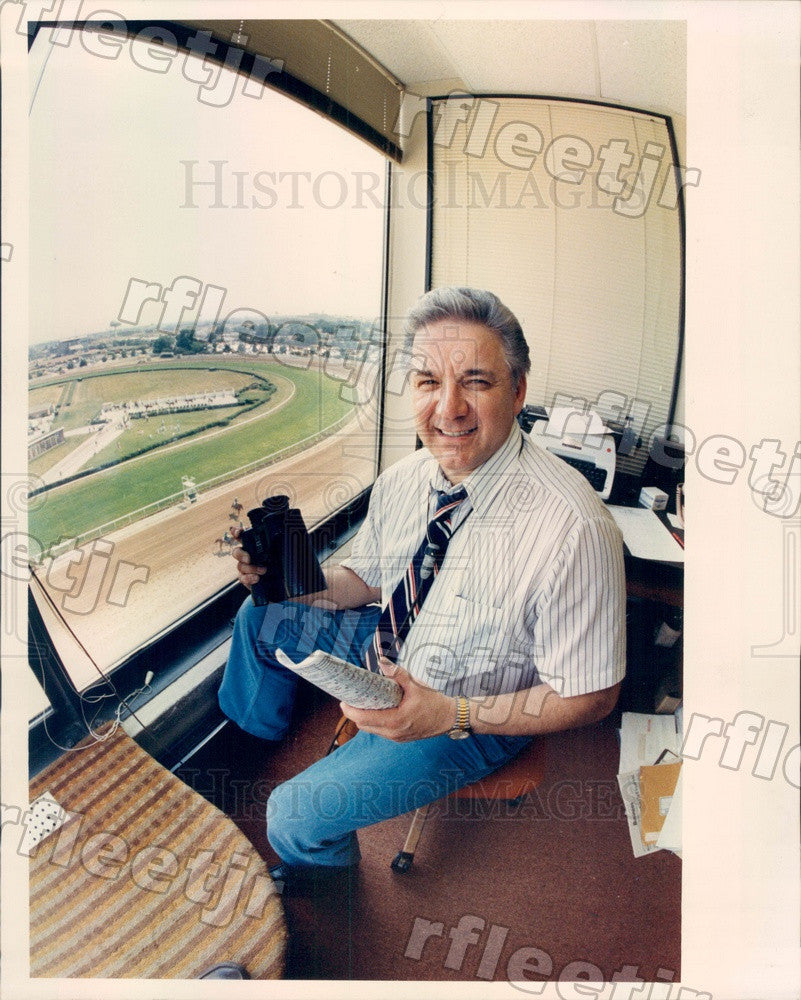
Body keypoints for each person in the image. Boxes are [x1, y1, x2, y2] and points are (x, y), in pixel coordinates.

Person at [218, 287, 626, 889]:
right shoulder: (405, 479)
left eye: (477, 382)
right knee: (261, 618)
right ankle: (252, 758)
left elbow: (592, 696)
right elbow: (368, 579)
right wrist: (290, 585)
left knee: (290, 817)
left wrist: (449, 713)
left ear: (518, 391)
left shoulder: (575, 528)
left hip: (472, 707)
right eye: (428, 380)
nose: (448, 408)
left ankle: (327, 882)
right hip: (396, 646)